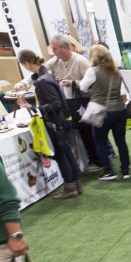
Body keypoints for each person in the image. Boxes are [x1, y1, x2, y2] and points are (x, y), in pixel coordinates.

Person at [16, 49, 82, 198]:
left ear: (26, 64)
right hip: (63, 121)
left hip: (56, 123)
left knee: (61, 155)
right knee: (67, 153)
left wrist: (32, 107)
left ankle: (70, 187)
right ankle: (75, 184)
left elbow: (55, 104)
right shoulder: (46, 75)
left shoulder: (42, 81)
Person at [79, 44, 130, 181]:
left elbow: (82, 87)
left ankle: (109, 171)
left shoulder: (92, 71)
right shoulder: (116, 71)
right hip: (120, 109)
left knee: (100, 141)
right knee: (121, 141)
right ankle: (125, 170)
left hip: (102, 111)